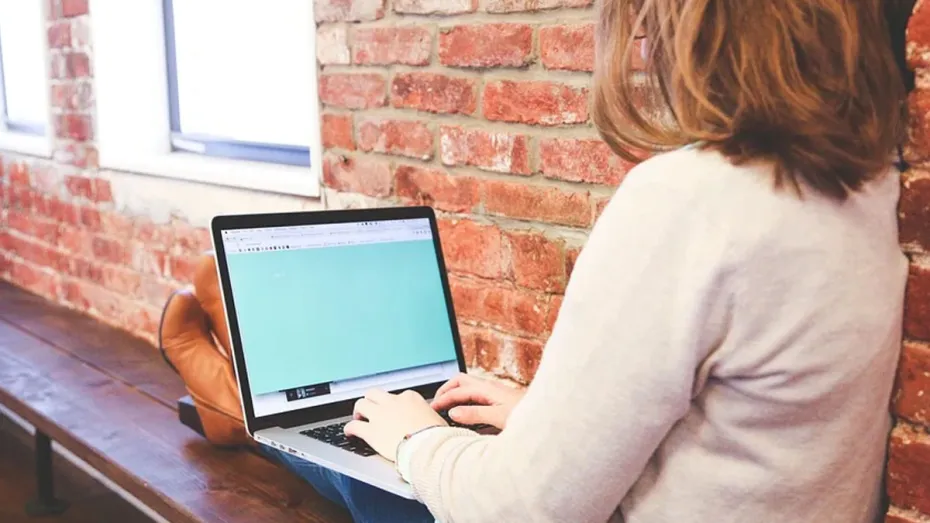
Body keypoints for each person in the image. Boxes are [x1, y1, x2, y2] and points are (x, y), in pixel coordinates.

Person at [259, 0, 918, 521]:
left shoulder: (692, 199)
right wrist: (548, 421)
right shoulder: (873, 190)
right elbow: (741, 435)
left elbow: (521, 510)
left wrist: (416, 439)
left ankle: (232, 401)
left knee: (346, 463)